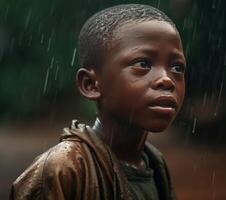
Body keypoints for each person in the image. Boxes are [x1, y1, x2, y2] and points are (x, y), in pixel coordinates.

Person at [10, 4, 186, 200]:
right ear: (91, 84)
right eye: (143, 64)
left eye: (177, 67)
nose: (167, 79)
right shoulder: (62, 169)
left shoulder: (155, 164)